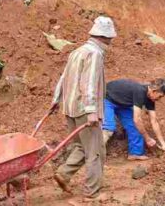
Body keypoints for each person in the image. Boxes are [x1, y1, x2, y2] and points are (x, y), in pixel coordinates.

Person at [51, 16, 116, 200]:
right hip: (83, 109)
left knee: (81, 145)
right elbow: (88, 84)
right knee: (96, 151)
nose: (111, 41)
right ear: (106, 37)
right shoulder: (94, 54)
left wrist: (56, 100)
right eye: (110, 37)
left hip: (70, 108)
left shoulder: (77, 51)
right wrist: (91, 111)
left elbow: (64, 77)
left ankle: (63, 174)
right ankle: (91, 193)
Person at [102, 79, 165, 160]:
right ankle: (96, 156)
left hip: (123, 104)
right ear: (154, 91)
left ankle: (135, 153)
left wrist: (163, 143)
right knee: (109, 128)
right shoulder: (140, 92)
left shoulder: (150, 99)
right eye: (160, 96)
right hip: (107, 98)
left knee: (135, 127)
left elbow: (154, 121)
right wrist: (147, 138)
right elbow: (137, 119)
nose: (159, 99)